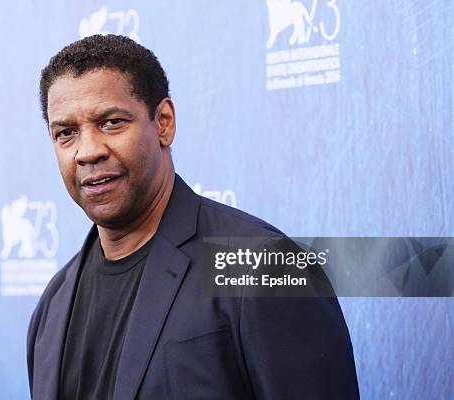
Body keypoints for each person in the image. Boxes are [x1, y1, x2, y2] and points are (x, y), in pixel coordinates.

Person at [27, 34, 359, 399]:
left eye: (111, 122)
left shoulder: (264, 267)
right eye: (66, 133)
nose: (87, 151)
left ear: (164, 123)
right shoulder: (53, 306)